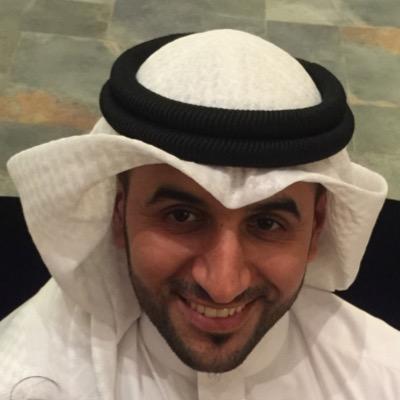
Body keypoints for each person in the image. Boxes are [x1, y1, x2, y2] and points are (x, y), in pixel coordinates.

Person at [0, 29, 399, 399]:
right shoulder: (27, 378)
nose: (223, 286)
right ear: (119, 212)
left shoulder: (383, 376)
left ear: (316, 228)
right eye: (181, 217)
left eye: (266, 224)